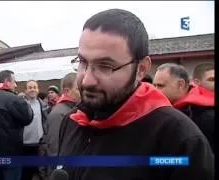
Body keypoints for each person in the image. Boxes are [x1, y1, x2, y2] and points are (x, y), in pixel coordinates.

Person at [58, 9, 214, 180]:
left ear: (141, 69)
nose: (87, 80)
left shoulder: (179, 139)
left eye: (106, 66)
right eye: (82, 62)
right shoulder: (72, 121)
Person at [0, 70, 33, 180]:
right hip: (12, 155)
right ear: (7, 82)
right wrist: (25, 101)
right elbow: (28, 118)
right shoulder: (13, 99)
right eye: (14, 81)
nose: (16, 85)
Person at [153, 63, 214, 151]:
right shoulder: (164, 111)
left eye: (160, 86)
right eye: (154, 85)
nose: (155, 90)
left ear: (180, 85)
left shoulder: (206, 117)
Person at [44, 72, 80, 176]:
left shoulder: (72, 109)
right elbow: (55, 148)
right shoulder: (60, 113)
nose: (82, 92)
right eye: (78, 89)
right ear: (67, 91)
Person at [22, 80, 49, 180]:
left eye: (34, 87)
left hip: (39, 144)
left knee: (40, 172)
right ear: (25, 90)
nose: (32, 89)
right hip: (24, 145)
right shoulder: (21, 105)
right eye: (30, 87)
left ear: (38, 90)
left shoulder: (43, 106)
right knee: (26, 173)